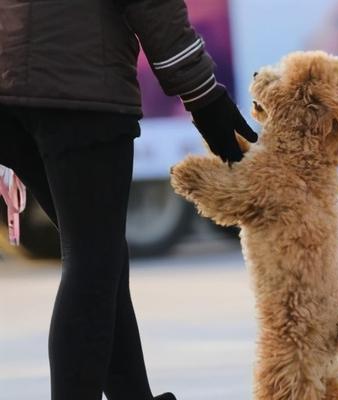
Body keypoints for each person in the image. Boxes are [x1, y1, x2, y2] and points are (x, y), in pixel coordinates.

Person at [0, 0, 257, 399]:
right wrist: (204, 97)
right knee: (93, 264)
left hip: (11, 89)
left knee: (101, 259)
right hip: (79, 89)